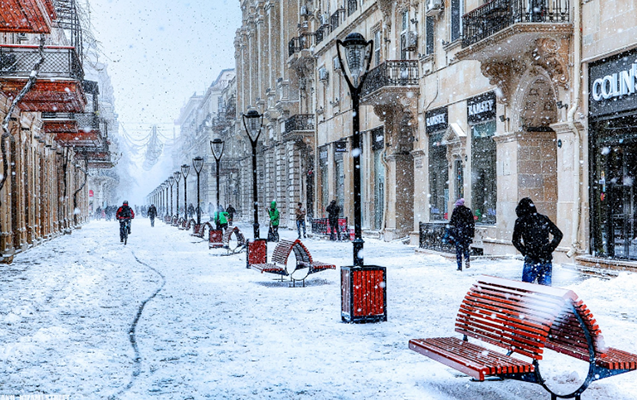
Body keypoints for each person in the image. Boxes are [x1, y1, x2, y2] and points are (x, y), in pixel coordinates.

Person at [512, 197, 563, 286]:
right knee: (546, 290)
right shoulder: (543, 219)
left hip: (531, 258)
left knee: (526, 289)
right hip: (545, 258)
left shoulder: (520, 221)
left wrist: (525, 251)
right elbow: (558, 234)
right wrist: (549, 248)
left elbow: (515, 240)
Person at [449, 198, 475, 271]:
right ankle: (467, 261)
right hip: (466, 233)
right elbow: (472, 223)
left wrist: (452, 233)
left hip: (458, 234)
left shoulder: (455, 211)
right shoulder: (468, 211)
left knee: (458, 251)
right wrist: (471, 234)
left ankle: (459, 266)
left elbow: (452, 223)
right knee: (466, 249)